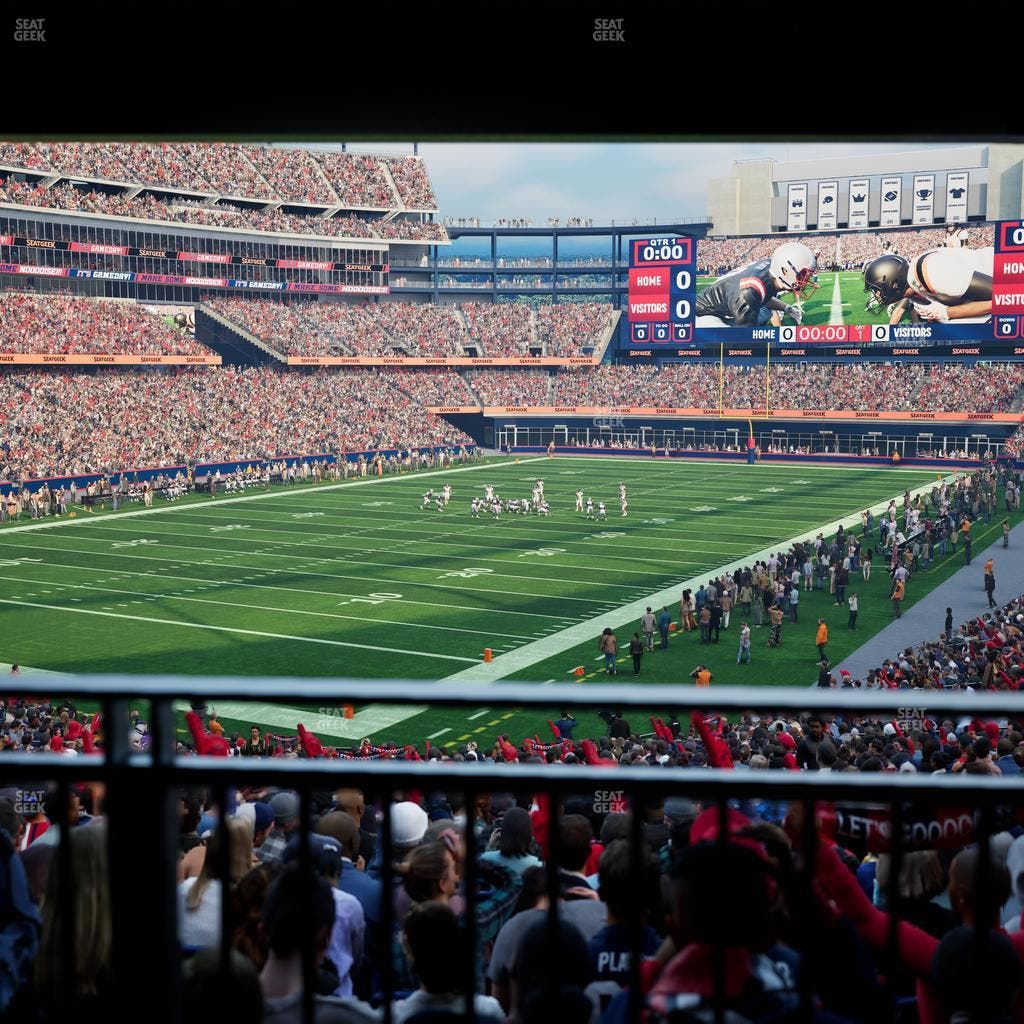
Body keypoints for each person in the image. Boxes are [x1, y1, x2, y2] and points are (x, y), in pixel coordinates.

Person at [695, 240, 816, 327]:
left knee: (765, 312)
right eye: (803, 275)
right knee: (733, 340)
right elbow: (745, 338)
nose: (806, 281)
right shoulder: (749, 291)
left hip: (730, 299)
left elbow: (764, 296)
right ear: (785, 270)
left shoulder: (773, 269)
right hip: (703, 315)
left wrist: (787, 309)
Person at [863, 244, 993, 324]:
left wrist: (948, 312)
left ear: (894, 284)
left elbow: (1004, 299)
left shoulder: (931, 272)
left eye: (876, 289)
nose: (875, 294)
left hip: (1006, 275)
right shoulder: (913, 287)